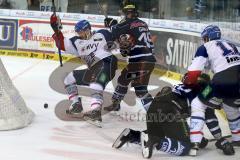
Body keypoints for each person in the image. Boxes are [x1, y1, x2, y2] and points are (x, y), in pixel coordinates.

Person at [112, 78, 231, 158]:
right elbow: (211, 122)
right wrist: (221, 139)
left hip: (155, 108)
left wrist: (197, 138)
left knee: (164, 135)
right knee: (187, 147)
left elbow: (179, 125)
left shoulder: (190, 86)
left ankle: (132, 135)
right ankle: (155, 141)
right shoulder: (207, 95)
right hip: (171, 111)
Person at [183, 25, 240, 155]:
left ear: (207, 37)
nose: (203, 40)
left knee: (198, 103)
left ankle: (195, 140)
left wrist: (189, 81)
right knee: (231, 107)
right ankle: (237, 138)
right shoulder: (231, 45)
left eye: (204, 38)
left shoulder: (205, 47)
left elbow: (193, 74)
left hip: (222, 82)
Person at [50, 14, 118, 125]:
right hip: (94, 70)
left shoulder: (102, 34)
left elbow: (118, 34)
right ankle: (76, 104)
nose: (80, 34)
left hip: (107, 63)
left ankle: (96, 111)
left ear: (88, 30)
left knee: (95, 83)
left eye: (81, 31)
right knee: (68, 78)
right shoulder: (76, 42)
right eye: (78, 32)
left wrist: (113, 24)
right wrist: (56, 29)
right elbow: (61, 43)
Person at [104, 4, 156, 112]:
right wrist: (127, 48)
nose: (126, 16)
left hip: (140, 60)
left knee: (140, 89)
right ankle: (116, 103)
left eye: (127, 13)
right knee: (124, 79)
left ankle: (155, 113)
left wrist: (111, 24)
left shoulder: (130, 23)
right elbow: (130, 43)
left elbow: (115, 31)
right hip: (147, 60)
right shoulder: (143, 23)